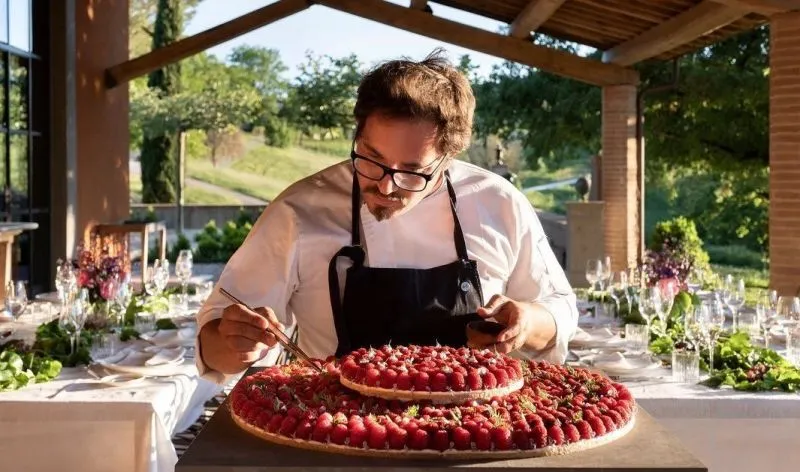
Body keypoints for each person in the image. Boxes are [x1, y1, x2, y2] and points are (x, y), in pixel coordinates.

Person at [195, 49, 577, 384]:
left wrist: (527, 321)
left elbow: (559, 310)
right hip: (334, 440)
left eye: (411, 171)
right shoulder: (298, 210)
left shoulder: (499, 203)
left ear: (448, 158)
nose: (386, 186)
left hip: (471, 438)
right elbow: (214, 345)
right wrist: (235, 343)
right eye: (371, 159)